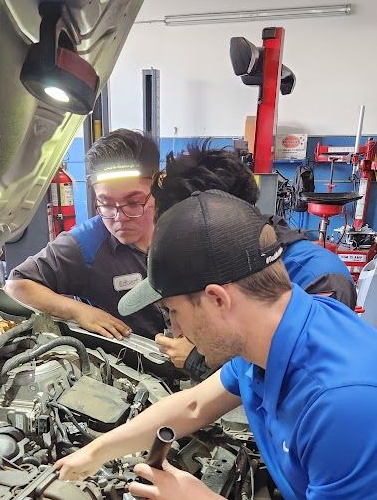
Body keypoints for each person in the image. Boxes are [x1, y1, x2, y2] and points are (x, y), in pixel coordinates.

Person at [54, 190, 377, 500]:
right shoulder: (275, 331)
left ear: (217, 298)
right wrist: (93, 452)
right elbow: (191, 406)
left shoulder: (340, 404)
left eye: (173, 312)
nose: (175, 331)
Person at [144, 143, 357, 376]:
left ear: (221, 219)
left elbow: (306, 379)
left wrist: (200, 360)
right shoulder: (213, 268)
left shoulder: (319, 278)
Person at [5, 129, 163, 340]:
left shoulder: (182, 227)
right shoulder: (86, 244)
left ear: (157, 187)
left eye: (133, 203)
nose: (119, 217)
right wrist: (78, 311)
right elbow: (17, 285)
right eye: (106, 204)